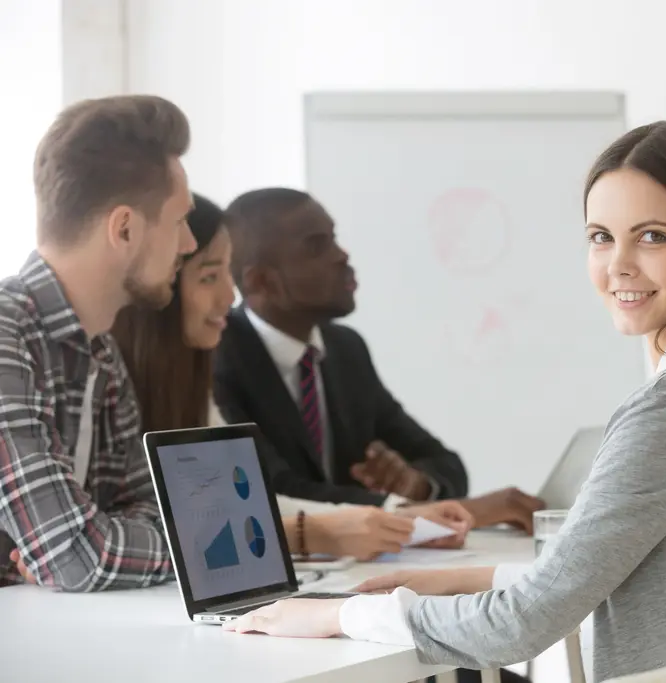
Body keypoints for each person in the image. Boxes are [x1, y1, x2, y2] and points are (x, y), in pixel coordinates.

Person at [221, 121, 666, 683]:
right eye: (601, 236)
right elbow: (642, 578)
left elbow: (521, 625)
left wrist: (341, 615)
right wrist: (456, 581)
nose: (618, 265)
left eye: (653, 236)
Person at [109, 193, 472, 561]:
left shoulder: (345, 349)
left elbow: (241, 501)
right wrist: (333, 528)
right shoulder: (218, 356)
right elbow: (254, 493)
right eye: (209, 277)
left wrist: (403, 503)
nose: (229, 296)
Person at [212, 188, 545, 531]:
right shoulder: (218, 357)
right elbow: (271, 492)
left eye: (334, 238)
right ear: (261, 281)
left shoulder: (345, 349)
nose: (341, 255)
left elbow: (444, 463)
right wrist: (434, 512)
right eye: (317, 246)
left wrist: (415, 484)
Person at [0, 95, 196, 590]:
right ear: (124, 228)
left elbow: (151, 509)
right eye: (179, 222)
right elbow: (79, 556)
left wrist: (95, 544)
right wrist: (194, 548)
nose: (190, 244)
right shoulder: (4, 334)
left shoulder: (100, 352)